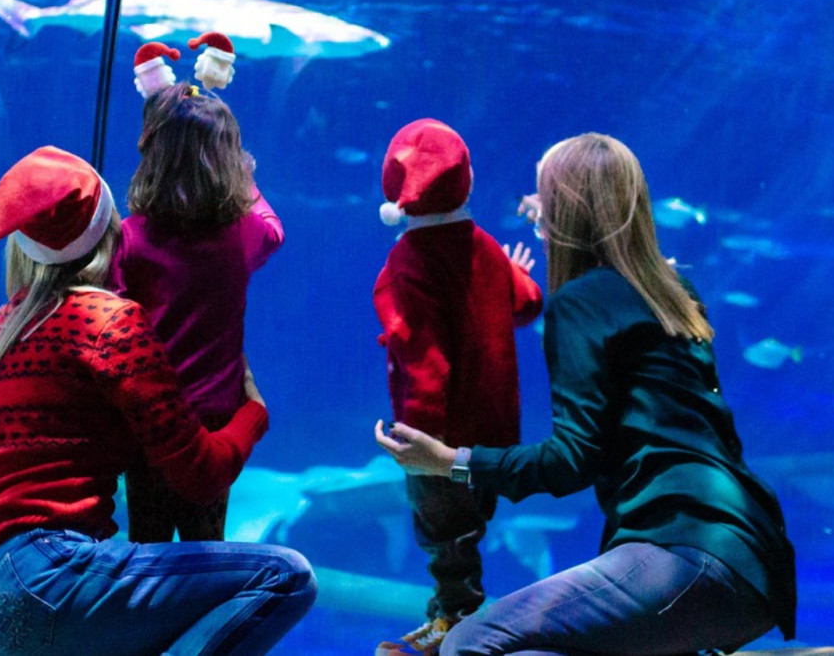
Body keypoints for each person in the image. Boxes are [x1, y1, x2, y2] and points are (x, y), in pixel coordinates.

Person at [375, 132, 796, 656]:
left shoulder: (580, 304)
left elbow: (571, 460)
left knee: (470, 639)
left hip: (682, 552)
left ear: (568, 211)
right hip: (753, 559)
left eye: (543, 196)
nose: (532, 209)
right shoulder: (673, 293)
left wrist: (451, 462)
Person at [0, 145, 315, 656]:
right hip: (54, 580)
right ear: (109, 233)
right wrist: (252, 414)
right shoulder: (108, 322)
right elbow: (200, 475)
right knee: (284, 576)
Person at [372, 119, 544, 654]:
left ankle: (455, 627)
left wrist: (421, 445)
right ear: (466, 181)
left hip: (441, 439)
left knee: (445, 538)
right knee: (468, 532)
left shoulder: (407, 263)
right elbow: (528, 303)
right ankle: (447, 621)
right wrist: (515, 274)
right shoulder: (485, 247)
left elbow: (424, 360)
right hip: (492, 435)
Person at [106, 74, 283, 544]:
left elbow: (111, 311)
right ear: (228, 162)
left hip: (149, 420)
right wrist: (247, 181)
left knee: (148, 540)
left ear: (153, 157)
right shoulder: (244, 234)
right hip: (218, 417)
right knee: (207, 544)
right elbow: (273, 230)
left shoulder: (129, 238)